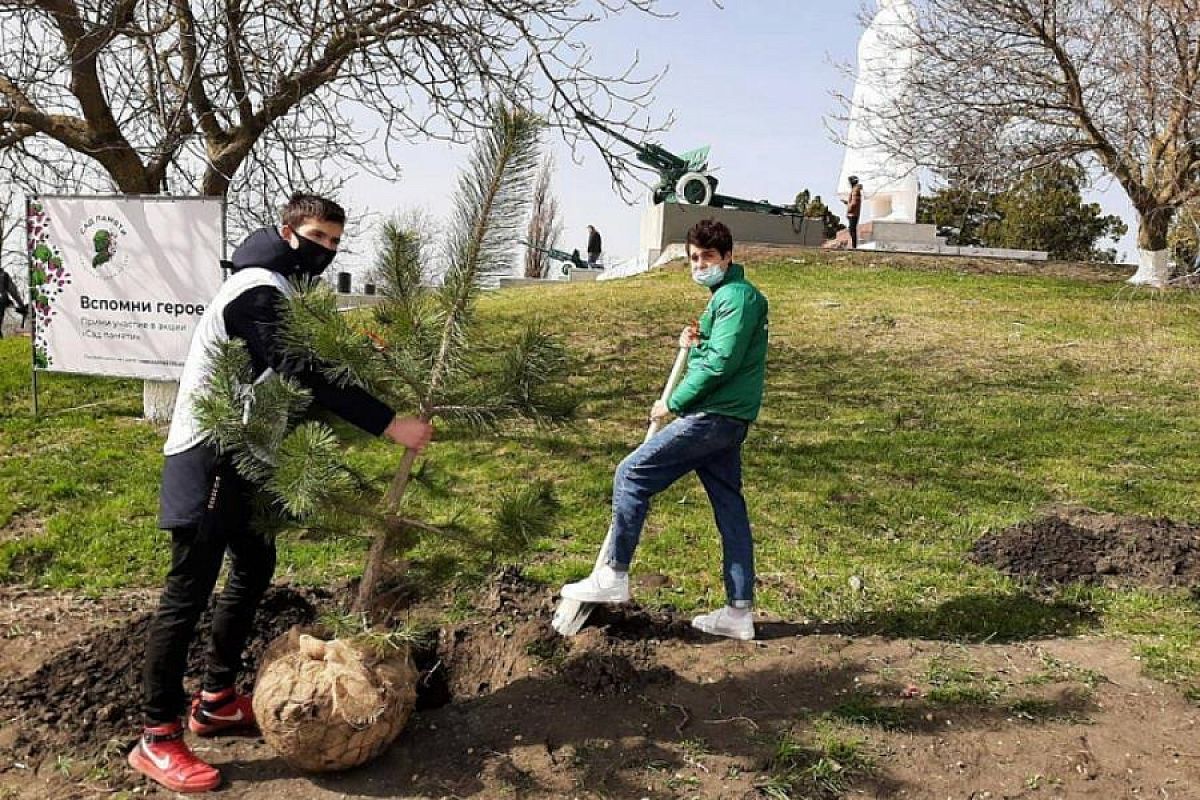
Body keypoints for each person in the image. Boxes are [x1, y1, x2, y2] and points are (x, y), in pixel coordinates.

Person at [129, 193, 433, 793]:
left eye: (335, 245)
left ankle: (216, 698)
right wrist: (388, 422)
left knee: (254, 566)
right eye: (316, 237)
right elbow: (300, 370)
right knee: (187, 592)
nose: (324, 252)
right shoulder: (255, 288)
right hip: (208, 454)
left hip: (247, 458)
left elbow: (307, 368)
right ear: (286, 231)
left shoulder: (285, 292)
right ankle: (157, 736)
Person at [560, 219, 768, 641]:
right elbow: (720, 349)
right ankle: (738, 612)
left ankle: (614, 573)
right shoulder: (730, 297)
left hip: (713, 417)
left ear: (728, 256)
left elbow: (720, 364)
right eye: (694, 258)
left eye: (708, 257)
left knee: (631, 474)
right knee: (730, 508)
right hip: (729, 419)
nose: (700, 265)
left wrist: (672, 403)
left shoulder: (736, 298)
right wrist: (698, 338)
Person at [0, 267, 28, 338]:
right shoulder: (4, 275)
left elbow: (13, 290)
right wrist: (21, 305)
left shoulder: (4, 276)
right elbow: (13, 292)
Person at [844, 175, 863, 249]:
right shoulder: (855, 190)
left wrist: (849, 208)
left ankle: (854, 246)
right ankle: (853, 246)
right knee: (851, 229)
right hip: (853, 213)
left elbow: (854, 203)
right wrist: (847, 203)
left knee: (852, 230)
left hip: (853, 213)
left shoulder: (855, 190)